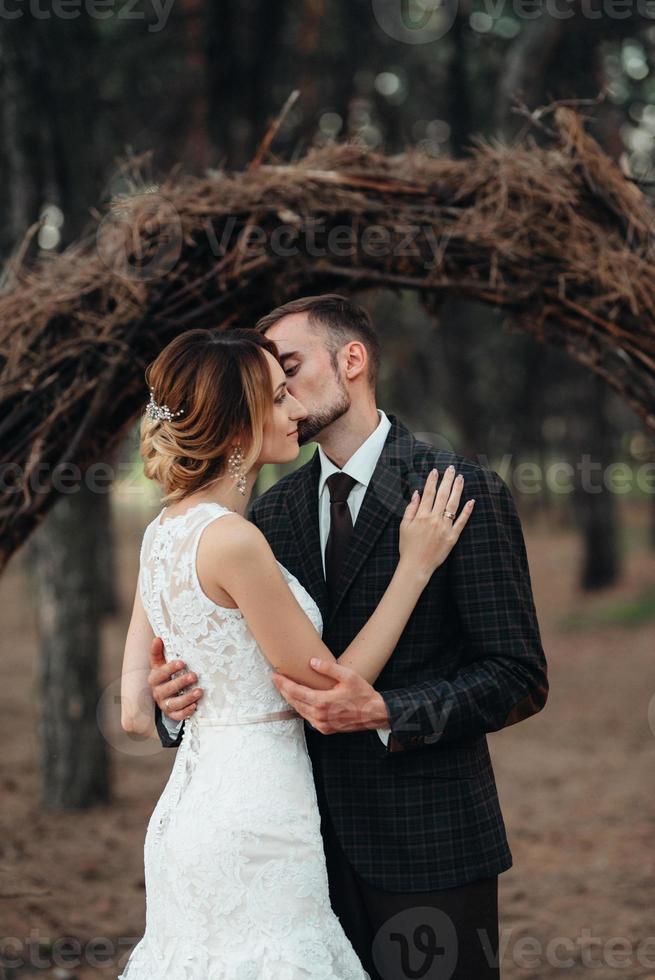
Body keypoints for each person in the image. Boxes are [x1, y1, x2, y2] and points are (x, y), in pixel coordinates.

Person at [119, 324, 474, 980]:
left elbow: (136, 714)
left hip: (190, 812)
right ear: (234, 425)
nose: (295, 412)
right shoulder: (234, 541)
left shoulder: (159, 532)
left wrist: (183, 699)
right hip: (255, 819)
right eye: (277, 399)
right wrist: (414, 567)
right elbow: (329, 685)